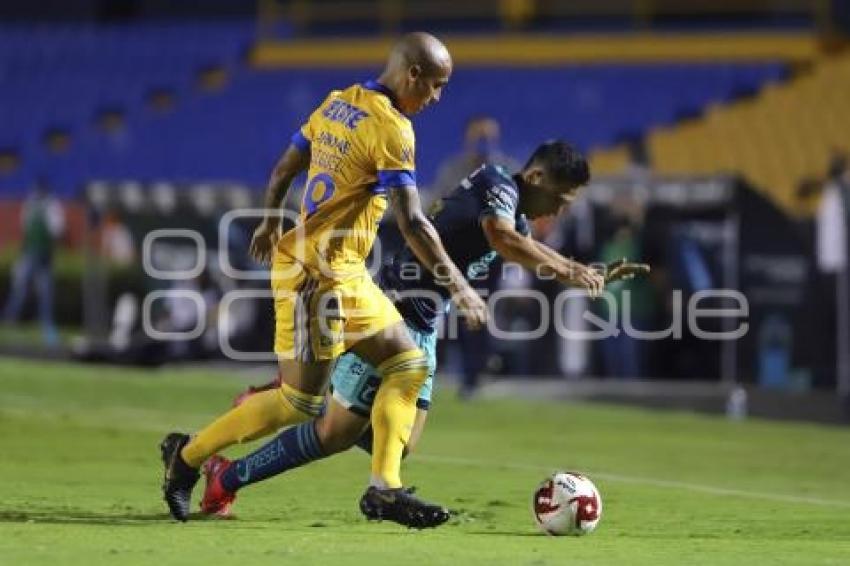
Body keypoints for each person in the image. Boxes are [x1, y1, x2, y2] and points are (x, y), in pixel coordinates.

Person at [197, 141, 649, 518]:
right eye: (560, 198)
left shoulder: (520, 219)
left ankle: (309, 405)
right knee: (335, 435)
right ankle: (228, 475)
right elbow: (501, 238)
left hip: (426, 321)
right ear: (535, 178)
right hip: (395, 309)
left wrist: (592, 273)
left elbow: (518, 246)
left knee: (400, 442)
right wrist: (572, 267)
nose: (561, 209)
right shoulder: (496, 183)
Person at [160, 32, 488, 529]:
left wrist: (271, 218)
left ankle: (384, 490)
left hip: (344, 273)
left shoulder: (337, 104)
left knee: (407, 362)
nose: (437, 98)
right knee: (300, 402)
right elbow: (413, 222)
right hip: (315, 275)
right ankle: (187, 458)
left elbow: (284, 167)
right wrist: (460, 286)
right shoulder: (392, 128)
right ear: (413, 75)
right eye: (436, 86)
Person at [2, 179, 65, 346]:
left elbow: (57, 230)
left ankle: (47, 326)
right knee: (20, 288)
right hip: (30, 254)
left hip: (43, 255)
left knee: (45, 292)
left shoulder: (52, 206)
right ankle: (9, 320)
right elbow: (26, 230)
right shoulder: (30, 204)